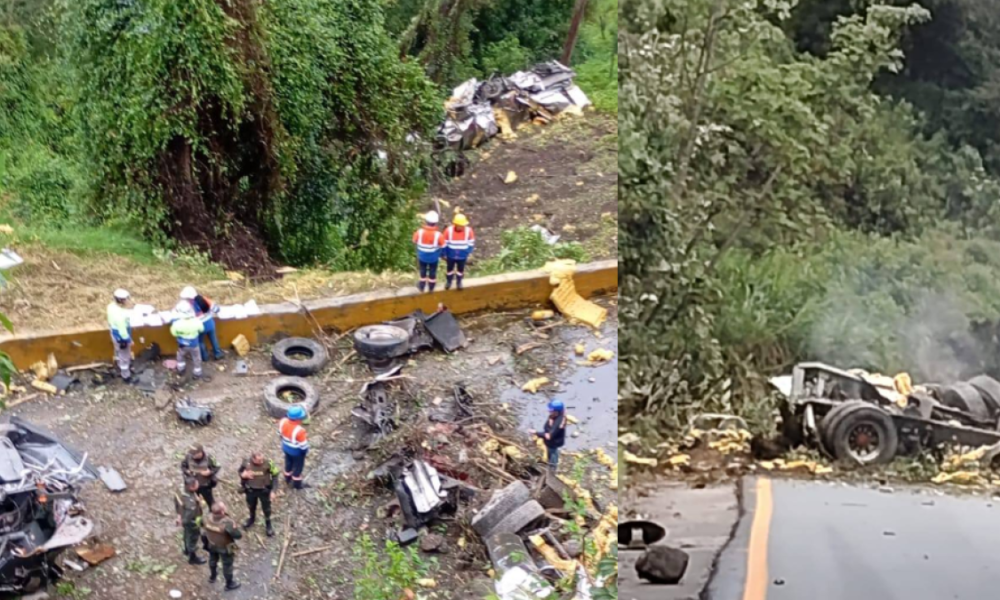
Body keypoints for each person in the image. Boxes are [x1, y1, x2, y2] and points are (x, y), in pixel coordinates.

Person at [201, 502, 242, 591]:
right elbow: (238, 535)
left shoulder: (206, 518)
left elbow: (202, 527)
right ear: (222, 512)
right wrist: (235, 527)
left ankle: (212, 577)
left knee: (212, 560)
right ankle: (229, 584)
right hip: (226, 547)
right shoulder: (227, 523)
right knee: (227, 565)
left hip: (211, 544)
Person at [239, 451, 279, 537]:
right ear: (253, 459)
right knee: (251, 506)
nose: (262, 461)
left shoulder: (269, 463)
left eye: (262, 459)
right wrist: (243, 475)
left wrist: (274, 491)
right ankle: (251, 519)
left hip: (264, 490)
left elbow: (275, 475)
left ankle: (268, 523)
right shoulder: (246, 463)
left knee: (266, 508)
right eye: (259, 460)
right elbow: (240, 471)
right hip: (250, 490)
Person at [180, 286, 224, 362]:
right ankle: (218, 353)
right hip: (210, 323)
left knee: (200, 342)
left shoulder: (188, 305)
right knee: (213, 339)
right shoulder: (203, 299)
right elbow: (216, 309)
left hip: (200, 326)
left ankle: (205, 357)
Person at [174, 477, 207, 565]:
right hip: (192, 521)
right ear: (191, 487)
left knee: (186, 535)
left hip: (183, 517)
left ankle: (186, 549)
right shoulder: (191, 504)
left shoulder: (180, 490)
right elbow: (190, 515)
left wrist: (179, 515)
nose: (198, 485)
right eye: (196, 485)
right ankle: (192, 557)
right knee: (193, 537)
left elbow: (177, 504)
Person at [412, 211, 445, 293]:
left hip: (422, 256)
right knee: (432, 271)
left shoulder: (419, 232)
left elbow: (414, 241)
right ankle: (431, 287)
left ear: (426, 221)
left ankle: (422, 286)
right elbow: (443, 245)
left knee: (422, 271)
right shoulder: (438, 235)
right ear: (436, 223)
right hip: (433, 258)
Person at [171, 301, 205, 380]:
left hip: (182, 345)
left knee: (180, 356)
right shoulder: (196, 321)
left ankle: (181, 369)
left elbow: (174, 333)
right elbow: (201, 329)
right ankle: (197, 373)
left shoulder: (177, 324)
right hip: (194, 345)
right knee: (196, 358)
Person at [278, 405, 310, 490]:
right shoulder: (300, 431)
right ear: (298, 419)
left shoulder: (282, 422)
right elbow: (303, 446)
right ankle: (297, 484)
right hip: (296, 452)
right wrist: (305, 452)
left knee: (288, 463)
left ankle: (287, 478)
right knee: (298, 467)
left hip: (285, 448)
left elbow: (280, 434)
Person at [443, 212, 476, 290]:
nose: (463, 227)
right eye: (461, 225)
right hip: (451, 255)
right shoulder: (448, 231)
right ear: (456, 225)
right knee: (449, 269)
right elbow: (444, 243)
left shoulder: (469, 231)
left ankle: (459, 282)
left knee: (460, 269)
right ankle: (449, 281)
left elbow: (471, 243)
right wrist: (444, 253)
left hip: (462, 256)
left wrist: (467, 252)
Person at [107, 288, 134, 382]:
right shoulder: (121, 314)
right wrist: (129, 340)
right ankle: (126, 375)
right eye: (127, 299)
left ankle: (119, 365)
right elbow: (123, 331)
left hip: (114, 333)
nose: (128, 301)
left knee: (118, 351)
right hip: (121, 337)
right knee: (125, 356)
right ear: (122, 300)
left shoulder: (111, 306)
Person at [535, 399, 567, 472]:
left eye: (551, 411)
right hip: (550, 442)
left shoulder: (559, 422)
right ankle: (550, 464)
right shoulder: (554, 416)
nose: (549, 412)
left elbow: (549, 436)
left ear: (556, 412)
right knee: (550, 453)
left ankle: (553, 469)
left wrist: (536, 433)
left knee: (553, 455)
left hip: (553, 442)